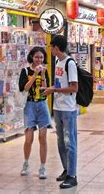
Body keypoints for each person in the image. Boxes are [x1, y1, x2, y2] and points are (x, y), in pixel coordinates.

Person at [42, 35, 78, 189]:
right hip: (57, 107)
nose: (50, 49)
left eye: (51, 47)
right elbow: (59, 83)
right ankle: (66, 169)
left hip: (68, 109)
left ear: (56, 48)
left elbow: (74, 88)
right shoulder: (57, 62)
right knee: (61, 142)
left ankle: (72, 175)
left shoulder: (70, 63)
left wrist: (54, 89)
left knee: (70, 142)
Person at [19, 47, 52, 179]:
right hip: (29, 105)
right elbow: (24, 88)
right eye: (37, 57)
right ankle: (26, 163)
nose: (39, 60)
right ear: (32, 57)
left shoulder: (45, 71)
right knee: (29, 139)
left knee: (42, 138)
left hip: (42, 105)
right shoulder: (25, 71)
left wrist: (42, 75)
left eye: (41, 57)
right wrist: (34, 75)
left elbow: (46, 89)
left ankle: (42, 167)